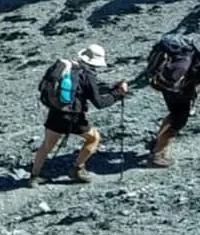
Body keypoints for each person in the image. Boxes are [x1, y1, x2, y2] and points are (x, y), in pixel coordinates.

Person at [28, 44, 127, 186]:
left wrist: (110, 87)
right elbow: (99, 102)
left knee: (46, 146)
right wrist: (117, 94)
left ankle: (34, 177)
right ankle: (77, 169)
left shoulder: (69, 67)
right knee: (93, 138)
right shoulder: (88, 76)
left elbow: (84, 89)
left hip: (56, 112)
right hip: (74, 117)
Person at [145, 22, 200, 168]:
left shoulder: (184, 44)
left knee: (173, 114)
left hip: (165, 87)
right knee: (178, 121)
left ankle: (158, 141)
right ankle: (157, 155)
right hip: (182, 93)